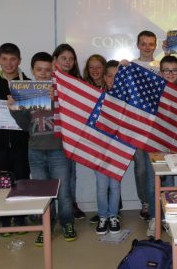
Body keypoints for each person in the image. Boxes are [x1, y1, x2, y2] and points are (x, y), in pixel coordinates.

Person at [8, 51, 77, 245]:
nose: (44, 73)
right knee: (42, 193)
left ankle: (67, 222)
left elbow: (70, 117)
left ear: (53, 70)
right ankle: (46, 225)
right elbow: (24, 125)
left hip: (58, 149)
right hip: (35, 150)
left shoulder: (62, 91)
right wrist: (14, 109)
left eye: (48, 70)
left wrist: (56, 98)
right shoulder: (25, 91)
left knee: (63, 191)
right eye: (39, 70)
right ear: (32, 70)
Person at [0, 43, 30, 236]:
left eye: (13, 59)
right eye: (5, 59)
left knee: (22, 179)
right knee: (0, 182)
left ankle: (21, 218)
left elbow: (34, 115)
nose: (9, 63)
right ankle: (4, 220)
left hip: (21, 142)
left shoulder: (29, 84)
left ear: (19, 60)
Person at [146, 55, 177, 237]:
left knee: (170, 183)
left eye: (174, 70)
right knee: (155, 183)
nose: (170, 73)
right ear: (160, 72)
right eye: (167, 70)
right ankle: (155, 218)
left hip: (175, 146)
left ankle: (167, 218)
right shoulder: (152, 92)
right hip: (154, 144)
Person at [52, 43, 86, 220]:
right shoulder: (46, 80)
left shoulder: (77, 81)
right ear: (55, 59)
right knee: (53, 178)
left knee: (70, 174)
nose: (67, 62)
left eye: (71, 59)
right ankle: (51, 211)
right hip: (50, 135)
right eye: (63, 58)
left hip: (71, 135)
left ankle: (70, 205)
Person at [132, 30, 160, 221]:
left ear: (155, 46)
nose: (147, 47)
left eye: (151, 44)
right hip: (136, 124)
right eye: (144, 43)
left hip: (158, 125)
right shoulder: (131, 66)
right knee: (141, 167)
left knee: (157, 168)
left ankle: (157, 202)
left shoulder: (161, 66)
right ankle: (145, 201)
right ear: (138, 45)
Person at [94, 61, 122, 235]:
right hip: (100, 149)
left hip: (118, 150)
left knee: (115, 186)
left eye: (117, 75)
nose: (113, 79)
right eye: (110, 75)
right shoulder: (98, 96)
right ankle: (102, 216)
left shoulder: (126, 99)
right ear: (104, 77)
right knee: (101, 186)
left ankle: (113, 215)